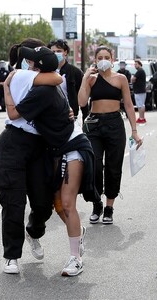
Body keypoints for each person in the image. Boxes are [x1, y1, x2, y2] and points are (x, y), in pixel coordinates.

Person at [4, 45, 100, 276]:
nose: (26, 63)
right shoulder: (50, 84)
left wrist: (7, 87)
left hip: (73, 146)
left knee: (67, 203)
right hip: (58, 148)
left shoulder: (42, 90)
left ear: (36, 66)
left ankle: (75, 259)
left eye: (30, 61)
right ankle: (78, 234)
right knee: (58, 203)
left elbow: (13, 114)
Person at [0, 38, 68, 275]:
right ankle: (11, 256)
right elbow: (57, 78)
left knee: (43, 203)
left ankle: (33, 232)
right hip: (13, 144)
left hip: (39, 146)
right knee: (14, 203)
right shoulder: (22, 75)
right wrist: (7, 87)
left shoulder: (35, 79)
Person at [78, 45, 143, 225]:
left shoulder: (121, 78)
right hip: (94, 126)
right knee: (94, 165)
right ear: (95, 60)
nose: (103, 60)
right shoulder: (91, 79)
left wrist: (135, 131)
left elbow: (129, 105)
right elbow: (82, 102)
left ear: (112, 59)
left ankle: (109, 208)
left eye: (107, 56)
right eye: (100, 57)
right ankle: (97, 203)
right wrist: (85, 78)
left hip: (115, 124)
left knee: (114, 167)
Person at [47, 39, 89, 123]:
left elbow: (84, 100)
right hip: (49, 117)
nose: (56, 54)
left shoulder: (75, 72)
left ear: (65, 52)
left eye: (59, 51)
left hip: (70, 118)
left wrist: (86, 122)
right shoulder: (45, 72)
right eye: (53, 52)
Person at [131, 59, 147, 124]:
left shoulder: (140, 71)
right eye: (134, 64)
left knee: (140, 105)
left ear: (139, 64)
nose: (135, 65)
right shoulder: (141, 71)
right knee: (141, 104)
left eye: (136, 64)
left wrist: (132, 79)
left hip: (139, 91)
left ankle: (141, 118)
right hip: (141, 90)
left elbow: (133, 79)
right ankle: (142, 117)